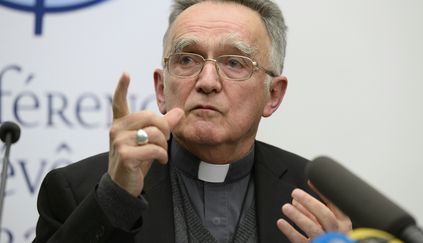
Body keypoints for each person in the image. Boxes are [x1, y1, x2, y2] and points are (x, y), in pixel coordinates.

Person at [33, 0, 352, 242]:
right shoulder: (76, 190)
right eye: (187, 59)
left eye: (235, 63)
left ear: (273, 95)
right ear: (161, 89)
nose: (208, 81)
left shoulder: (321, 202)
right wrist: (116, 199)